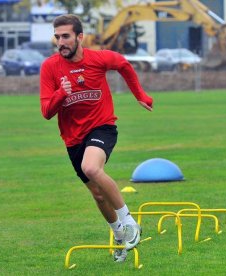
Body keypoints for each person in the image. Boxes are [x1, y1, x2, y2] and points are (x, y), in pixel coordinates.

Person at [39, 14, 153, 262]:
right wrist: (60, 93)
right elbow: (47, 112)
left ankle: (129, 221)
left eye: (66, 36)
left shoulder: (98, 58)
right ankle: (119, 235)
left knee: (90, 167)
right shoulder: (50, 67)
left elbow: (123, 64)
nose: (61, 42)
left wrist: (140, 94)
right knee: (98, 195)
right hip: (73, 139)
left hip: (102, 127)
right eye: (57, 37)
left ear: (80, 37)